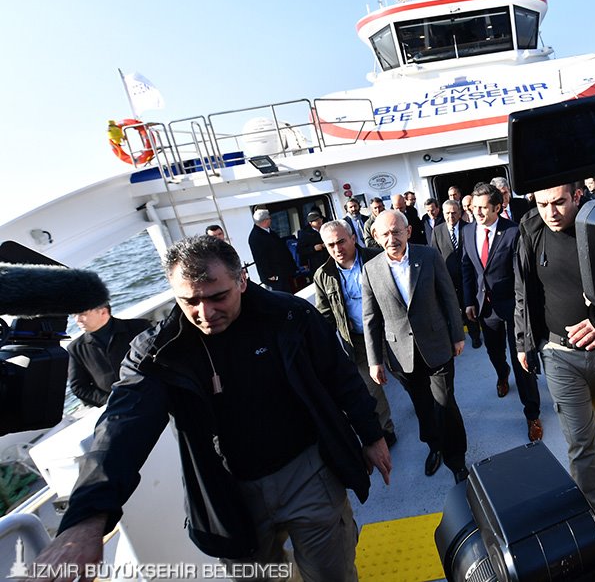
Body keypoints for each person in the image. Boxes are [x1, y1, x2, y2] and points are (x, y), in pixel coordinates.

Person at [33, 235, 390, 581]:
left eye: (218, 297)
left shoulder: (290, 316)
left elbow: (339, 375)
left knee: (332, 574)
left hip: (307, 473)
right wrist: (86, 518)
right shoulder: (158, 352)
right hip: (227, 494)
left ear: (242, 281)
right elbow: (122, 426)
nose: (205, 313)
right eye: (189, 301)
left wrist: (372, 435)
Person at [515, 181, 595, 555]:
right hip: (558, 353)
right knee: (580, 442)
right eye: (543, 203)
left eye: (559, 202)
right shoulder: (531, 231)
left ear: (577, 196)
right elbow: (523, 290)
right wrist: (524, 341)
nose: (550, 212)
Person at [363, 210, 469, 482]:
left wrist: (457, 335)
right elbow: (370, 318)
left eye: (396, 231)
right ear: (375, 236)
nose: (392, 238)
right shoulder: (370, 270)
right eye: (385, 234)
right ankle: (434, 447)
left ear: (408, 231)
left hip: (437, 345)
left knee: (444, 403)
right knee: (422, 406)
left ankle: (456, 461)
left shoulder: (429, 256)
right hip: (401, 355)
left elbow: (448, 296)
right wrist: (375, 361)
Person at [462, 183, 542, 441]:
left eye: (483, 207)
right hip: (485, 308)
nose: (477, 212)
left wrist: (522, 309)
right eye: (475, 207)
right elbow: (467, 268)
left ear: (498, 207)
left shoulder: (513, 232)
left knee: (522, 361)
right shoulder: (467, 231)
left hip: (513, 307)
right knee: (494, 353)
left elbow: (521, 275)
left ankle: (532, 414)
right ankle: (501, 374)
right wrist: (469, 301)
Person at [313, 220, 397, 448]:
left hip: (389, 333)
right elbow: (325, 316)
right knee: (371, 389)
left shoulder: (377, 258)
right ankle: (386, 429)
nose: (337, 248)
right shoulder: (323, 275)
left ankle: (430, 416)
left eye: (341, 241)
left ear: (353, 238)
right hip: (357, 342)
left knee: (409, 378)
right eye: (330, 245)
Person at [67, 302, 149, 408]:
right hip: (117, 408)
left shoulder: (139, 327)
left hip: (152, 392)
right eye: (74, 315)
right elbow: (79, 387)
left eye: (82, 314)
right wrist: (111, 401)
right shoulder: (75, 348)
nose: (77, 320)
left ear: (103, 312)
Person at [430, 199, 481, 349]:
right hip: (448, 279)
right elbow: (435, 255)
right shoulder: (437, 231)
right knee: (452, 310)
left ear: (459, 213)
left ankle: (475, 336)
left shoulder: (469, 228)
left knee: (470, 307)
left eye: (453, 213)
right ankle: (456, 338)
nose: (450, 216)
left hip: (468, 278)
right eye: (447, 213)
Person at [247, 208, 295, 292]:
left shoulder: (270, 232)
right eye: (269, 218)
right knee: (280, 295)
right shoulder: (255, 237)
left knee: (288, 292)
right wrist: (269, 274)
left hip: (282, 270)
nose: (270, 220)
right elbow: (260, 258)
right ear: (265, 221)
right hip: (273, 275)